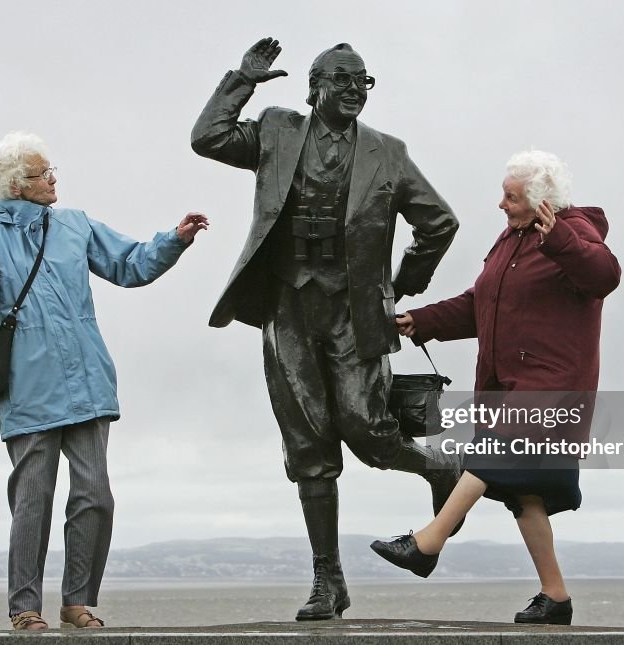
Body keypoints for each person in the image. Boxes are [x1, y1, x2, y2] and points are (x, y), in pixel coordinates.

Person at [191, 38, 461, 620]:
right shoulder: (277, 131)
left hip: (351, 309)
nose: (356, 91)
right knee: (308, 445)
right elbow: (206, 137)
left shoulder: (388, 153)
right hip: (287, 305)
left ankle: (440, 467)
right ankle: (327, 580)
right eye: (344, 81)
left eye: (364, 81)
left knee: (369, 431)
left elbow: (439, 222)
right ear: (315, 87)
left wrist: (400, 285)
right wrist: (242, 79)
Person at [0, 131, 208, 630]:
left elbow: (129, 264)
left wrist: (174, 240)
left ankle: (77, 601)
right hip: (28, 384)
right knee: (32, 500)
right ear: (16, 185)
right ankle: (25, 608)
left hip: (88, 380)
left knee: (95, 495)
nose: (52, 179)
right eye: (41, 173)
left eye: (52, 170)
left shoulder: (75, 225)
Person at [370, 150, 621, 625]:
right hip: (507, 382)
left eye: (511, 196)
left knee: (490, 453)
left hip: (554, 382)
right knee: (525, 495)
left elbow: (604, 276)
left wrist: (560, 238)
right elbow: (479, 305)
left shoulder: (574, 230)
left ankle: (429, 542)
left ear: (541, 201)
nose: (501, 204)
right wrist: (419, 320)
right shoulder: (510, 241)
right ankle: (556, 598)